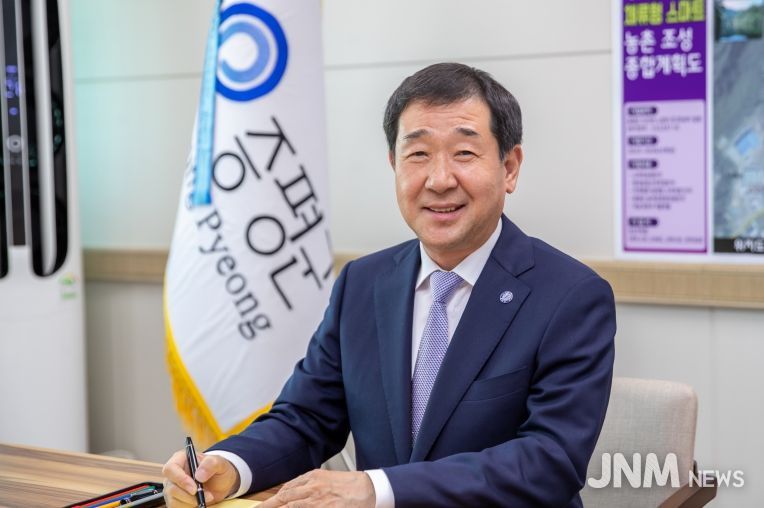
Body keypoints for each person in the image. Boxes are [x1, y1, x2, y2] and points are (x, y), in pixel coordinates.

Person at [162, 62, 616, 507]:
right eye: (418, 154)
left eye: (464, 153)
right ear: (394, 164)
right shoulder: (362, 283)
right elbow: (307, 418)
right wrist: (229, 465)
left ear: (510, 167)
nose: (439, 180)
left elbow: (550, 460)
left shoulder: (570, 296)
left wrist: (376, 489)